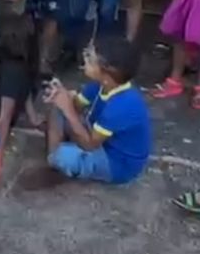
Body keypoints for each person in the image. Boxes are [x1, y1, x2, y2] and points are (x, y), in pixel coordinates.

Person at [36, 38, 150, 186]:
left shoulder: (122, 105)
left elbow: (90, 145)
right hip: (99, 137)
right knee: (57, 106)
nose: (85, 59)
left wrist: (67, 108)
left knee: (64, 156)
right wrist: (62, 93)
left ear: (107, 74)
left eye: (91, 60)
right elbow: (76, 105)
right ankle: (56, 154)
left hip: (116, 163)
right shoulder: (102, 84)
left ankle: (56, 158)